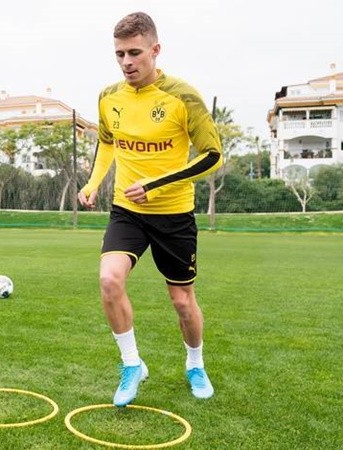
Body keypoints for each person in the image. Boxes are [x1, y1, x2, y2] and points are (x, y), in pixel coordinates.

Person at [77, 12, 222, 406]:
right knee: (109, 279)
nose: (127, 62)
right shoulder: (109, 97)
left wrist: (156, 185)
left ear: (155, 50)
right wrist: (93, 183)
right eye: (120, 54)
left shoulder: (182, 97)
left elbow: (212, 155)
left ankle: (195, 364)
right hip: (126, 209)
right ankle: (131, 364)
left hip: (173, 214)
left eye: (135, 53)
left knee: (182, 301)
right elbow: (108, 142)